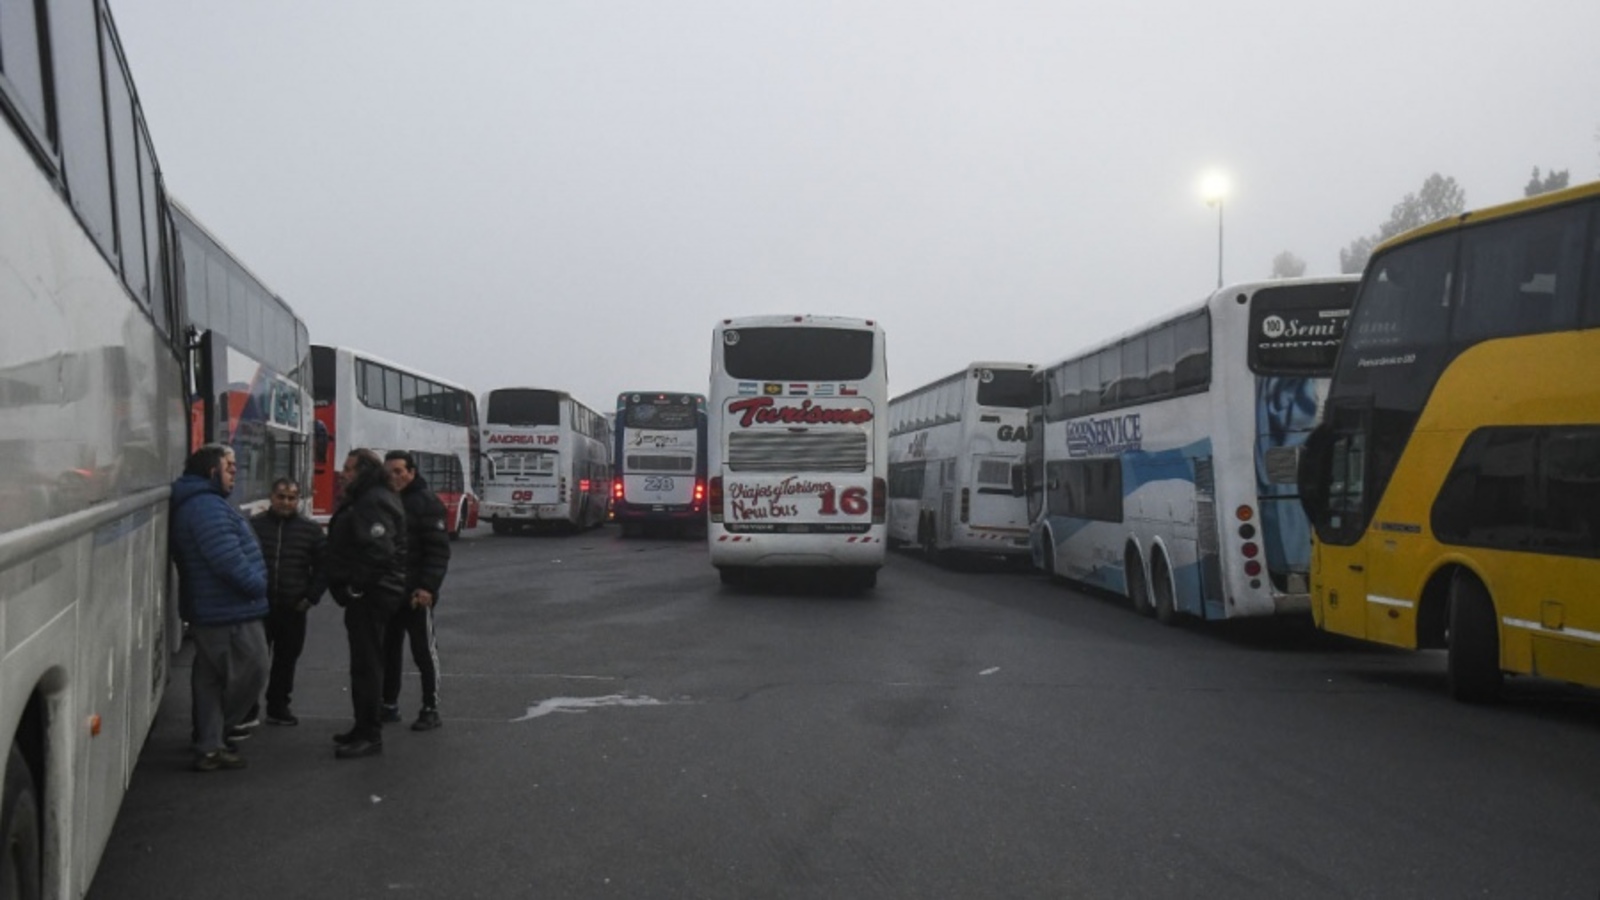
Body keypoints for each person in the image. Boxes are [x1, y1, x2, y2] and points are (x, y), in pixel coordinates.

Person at [169, 444, 270, 772]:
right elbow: (226, 559)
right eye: (230, 468)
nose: (234, 474)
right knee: (252, 670)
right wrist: (258, 585)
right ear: (212, 472)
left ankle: (210, 745)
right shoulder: (206, 507)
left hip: (213, 608)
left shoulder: (201, 503)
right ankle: (216, 734)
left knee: (210, 679)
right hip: (228, 609)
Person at [323, 448, 408, 760]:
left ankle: (369, 734)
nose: (343, 473)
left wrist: (355, 586)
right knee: (363, 664)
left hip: (373, 595)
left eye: (348, 468)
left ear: (363, 471)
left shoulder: (372, 500)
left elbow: (379, 551)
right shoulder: (368, 497)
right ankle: (362, 727)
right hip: (372, 593)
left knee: (368, 666)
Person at [381, 451, 453, 732]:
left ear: (412, 472)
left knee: (423, 651)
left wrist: (428, 588)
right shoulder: (385, 499)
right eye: (390, 472)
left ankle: (430, 707)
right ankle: (388, 704)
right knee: (389, 651)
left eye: (399, 471)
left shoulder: (426, 503)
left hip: (416, 594)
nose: (394, 477)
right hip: (390, 591)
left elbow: (438, 552)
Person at [249, 478, 328, 726]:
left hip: (293, 607)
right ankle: (248, 708)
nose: (286, 502)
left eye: (291, 497)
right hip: (259, 607)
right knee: (254, 662)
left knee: (286, 660)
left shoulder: (311, 531)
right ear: (271, 497)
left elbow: (324, 568)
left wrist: (311, 597)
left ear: (298, 500)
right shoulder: (254, 527)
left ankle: (278, 706)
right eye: (281, 496)